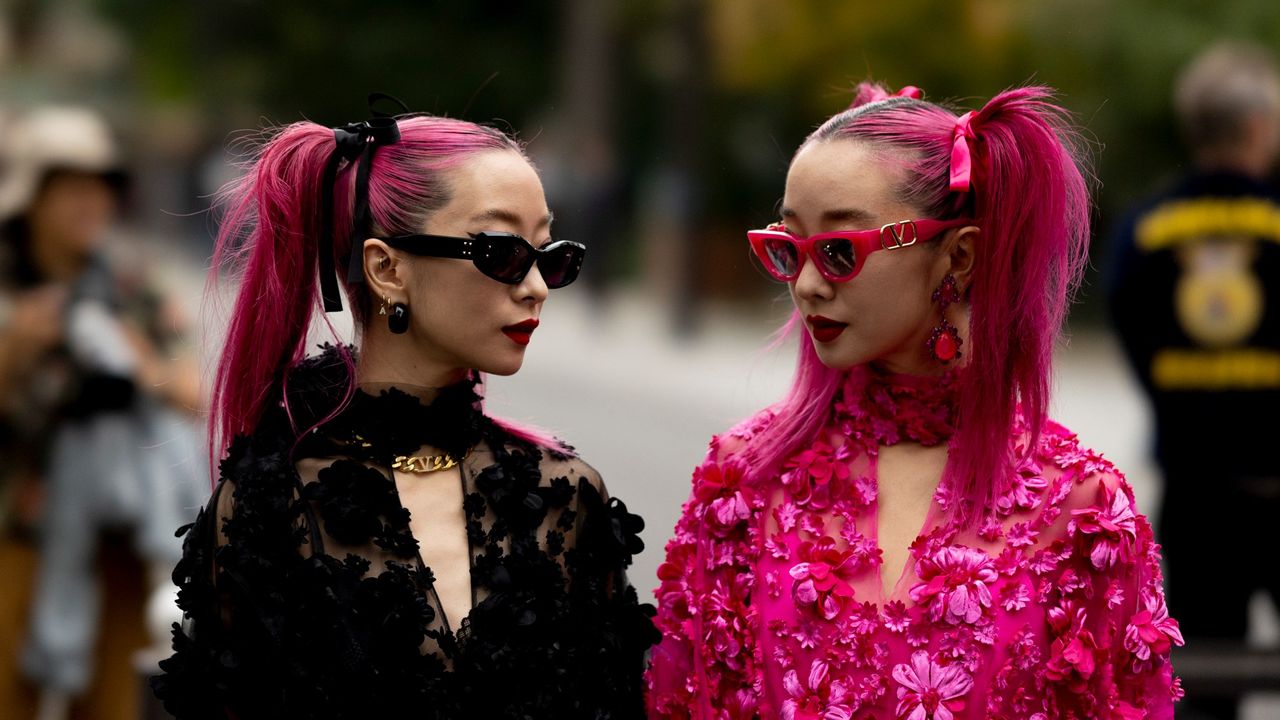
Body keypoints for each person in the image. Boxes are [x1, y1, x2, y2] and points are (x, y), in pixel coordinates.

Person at [645, 83, 1184, 719]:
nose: (809, 285)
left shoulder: (1083, 508)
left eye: (840, 251)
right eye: (790, 250)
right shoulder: (743, 481)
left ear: (958, 256)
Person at [150, 104, 658, 719]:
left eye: (551, 255)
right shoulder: (271, 504)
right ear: (386, 269)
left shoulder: (566, 497)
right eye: (500, 251)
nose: (536, 286)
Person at [0, 106, 206, 720]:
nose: (88, 203)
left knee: (114, 702)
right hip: (16, 529)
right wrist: (14, 355)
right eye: (69, 188)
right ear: (32, 196)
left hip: (120, 529)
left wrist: (144, 367)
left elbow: (195, 393)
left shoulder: (132, 284)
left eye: (100, 187)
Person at [1107, 42, 1280, 720]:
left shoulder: (1146, 227)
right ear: (1259, 126)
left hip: (1198, 489)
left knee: (1205, 678)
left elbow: (1127, 324)